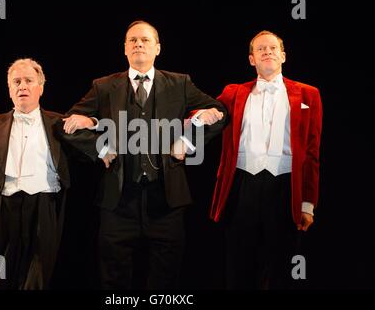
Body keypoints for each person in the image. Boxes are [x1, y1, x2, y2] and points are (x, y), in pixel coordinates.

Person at [60, 20, 228, 289]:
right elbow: (66, 124)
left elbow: (220, 113)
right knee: (113, 277)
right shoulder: (103, 87)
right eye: (133, 40)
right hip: (118, 200)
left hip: (167, 199)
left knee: (166, 277)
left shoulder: (180, 83)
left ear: (158, 48)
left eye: (145, 40)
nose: (139, 44)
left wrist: (188, 140)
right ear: (125, 49)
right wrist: (99, 146)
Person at [210, 30, 323, 289]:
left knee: (281, 267)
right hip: (242, 186)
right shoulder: (234, 92)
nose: (267, 52)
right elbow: (207, 112)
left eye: (273, 48)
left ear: (283, 56)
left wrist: (308, 203)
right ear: (252, 59)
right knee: (240, 266)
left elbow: (312, 152)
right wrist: (193, 120)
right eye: (261, 49)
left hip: (285, 187)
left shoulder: (309, 94)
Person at [0, 58, 71, 289]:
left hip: (44, 207)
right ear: (10, 90)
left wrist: (105, 150)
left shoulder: (60, 123)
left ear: (40, 88)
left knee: (36, 279)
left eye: (28, 81)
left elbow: (88, 146)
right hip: (1, 210)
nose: (22, 86)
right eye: (16, 81)